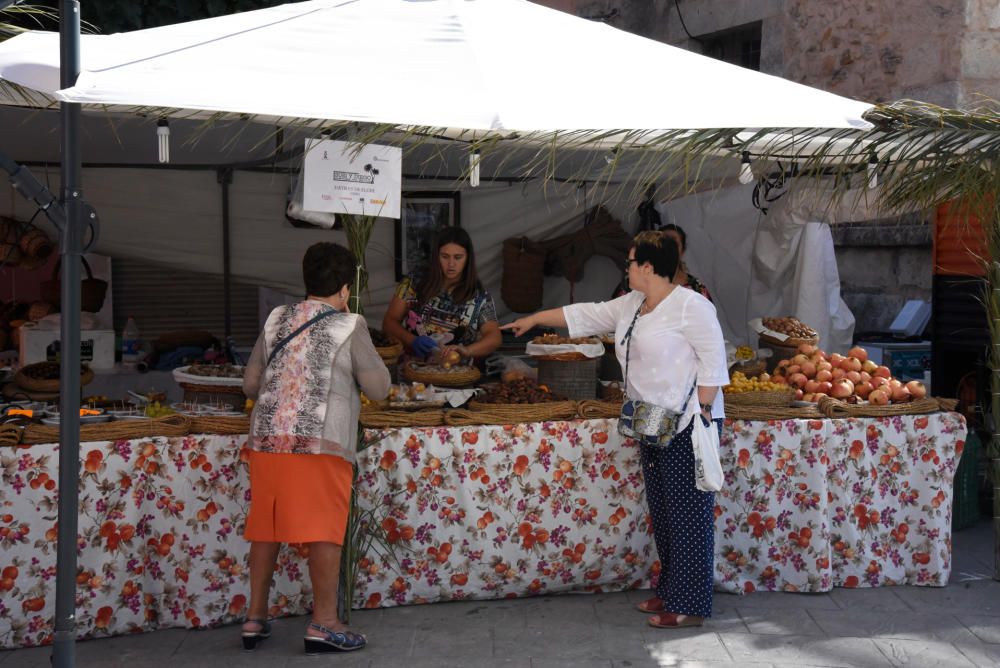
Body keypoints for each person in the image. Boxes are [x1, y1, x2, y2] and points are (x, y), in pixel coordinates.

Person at [503, 230, 728, 629]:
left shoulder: (692, 307)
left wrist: (704, 419)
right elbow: (584, 314)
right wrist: (536, 319)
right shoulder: (633, 303)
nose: (625, 269)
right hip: (650, 420)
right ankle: (672, 588)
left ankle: (690, 605)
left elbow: (714, 365)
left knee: (688, 514)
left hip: (688, 421)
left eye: (629, 263)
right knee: (663, 511)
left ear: (646, 267)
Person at [240, 242, 390, 655]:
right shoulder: (350, 323)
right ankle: (324, 623)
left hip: (268, 439)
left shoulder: (276, 318)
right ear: (344, 288)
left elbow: (250, 385)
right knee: (324, 528)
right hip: (320, 439)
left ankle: (254, 618)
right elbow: (380, 387)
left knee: (266, 526)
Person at [382, 227, 501, 363]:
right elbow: (389, 322)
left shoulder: (479, 297)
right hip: (412, 370)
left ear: (468, 258)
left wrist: (467, 351)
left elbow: (494, 337)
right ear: (436, 256)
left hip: (456, 375)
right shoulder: (413, 283)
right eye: (445, 256)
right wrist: (413, 340)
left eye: (458, 257)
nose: (451, 264)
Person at [660, 223, 712, 301]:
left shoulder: (696, 289)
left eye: (674, 244)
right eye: (663, 242)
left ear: (682, 251)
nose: (668, 248)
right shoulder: (641, 281)